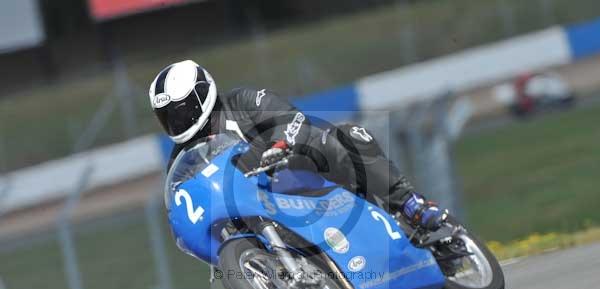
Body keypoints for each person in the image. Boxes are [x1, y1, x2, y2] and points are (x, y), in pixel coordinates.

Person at [150, 60, 447, 231]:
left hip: (296, 174)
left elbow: (289, 118)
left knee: (346, 135)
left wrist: (280, 143)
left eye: (181, 109)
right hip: (259, 212)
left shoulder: (242, 101)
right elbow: (185, 203)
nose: (177, 120)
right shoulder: (182, 159)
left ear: (203, 94)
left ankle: (410, 204)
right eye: (168, 116)